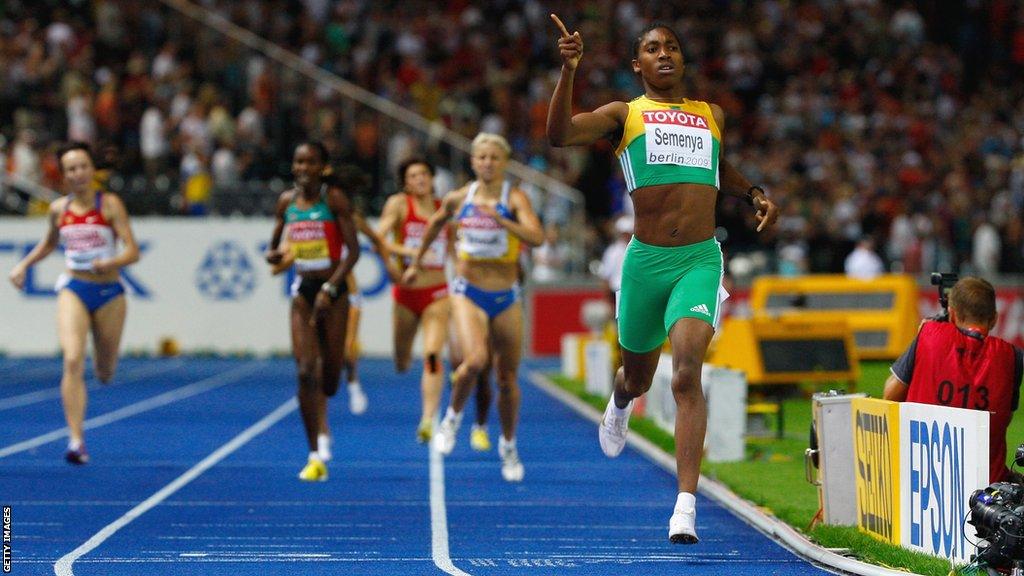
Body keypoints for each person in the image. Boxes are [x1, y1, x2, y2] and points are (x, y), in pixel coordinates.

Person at [547, 16, 780, 543]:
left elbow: (720, 170)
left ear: (683, 60)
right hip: (645, 263)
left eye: (672, 47)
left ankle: (685, 506)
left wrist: (753, 193)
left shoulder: (710, 114)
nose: (665, 54)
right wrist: (569, 70)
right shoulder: (623, 115)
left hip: (699, 259)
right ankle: (621, 401)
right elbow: (559, 135)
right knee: (637, 377)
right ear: (638, 65)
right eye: (653, 49)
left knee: (685, 374)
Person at [403, 133, 544, 482]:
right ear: (473, 161)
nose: (487, 163)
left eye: (494, 158)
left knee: (508, 380)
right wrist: (417, 262)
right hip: (468, 293)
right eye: (481, 157)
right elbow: (436, 223)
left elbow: (537, 237)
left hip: (507, 294)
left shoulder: (514, 198)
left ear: (504, 162)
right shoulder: (459, 197)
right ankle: (451, 419)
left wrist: (503, 222)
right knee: (476, 360)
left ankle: (508, 447)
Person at [8, 142, 140, 465]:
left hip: (109, 293)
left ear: (92, 170)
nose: (78, 174)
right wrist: (23, 265)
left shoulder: (109, 205)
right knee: (71, 360)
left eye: (83, 166)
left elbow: (132, 251)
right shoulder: (58, 210)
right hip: (74, 288)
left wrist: (110, 262)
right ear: (63, 176)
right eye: (71, 169)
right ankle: (76, 440)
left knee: (105, 372)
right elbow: (49, 243)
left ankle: (102, 366)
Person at [265, 141, 360, 482]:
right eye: (299, 162)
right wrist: (274, 256)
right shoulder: (286, 202)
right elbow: (275, 248)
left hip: (334, 293)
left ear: (323, 167)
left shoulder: (333, 200)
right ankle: (314, 452)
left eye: (311, 162)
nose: (304, 168)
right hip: (303, 292)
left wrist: (331, 288)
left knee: (330, 381)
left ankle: (327, 407)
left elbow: (353, 253)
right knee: (306, 371)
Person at [884, 277, 1023, 484]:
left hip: (920, 481)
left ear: (952, 313)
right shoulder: (1013, 357)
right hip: (985, 487)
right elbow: (1003, 419)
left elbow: (890, 396)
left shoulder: (929, 334)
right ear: (994, 319)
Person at [376, 158, 453, 443]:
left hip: (437, 293)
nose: (419, 179)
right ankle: (402, 358)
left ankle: (428, 419)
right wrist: (408, 253)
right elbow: (379, 238)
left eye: (424, 173)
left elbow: (455, 248)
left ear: (432, 178)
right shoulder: (398, 204)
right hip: (406, 295)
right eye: (413, 175)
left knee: (433, 354)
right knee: (402, 358)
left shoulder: (445, 208)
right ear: (405, 182)